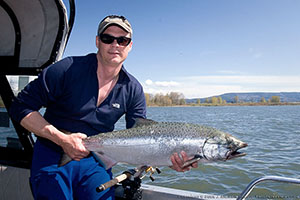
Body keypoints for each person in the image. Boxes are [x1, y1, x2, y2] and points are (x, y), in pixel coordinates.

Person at [9, 15, 197, 200]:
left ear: (129, 46)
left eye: (122, 40)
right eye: (108, 38)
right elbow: (20, 107)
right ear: (98, 42)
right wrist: (61, 139)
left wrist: (169, 159)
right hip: (51, 154)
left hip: (96, 160)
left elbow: (142, 138)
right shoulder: (66, 69)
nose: (115, 45)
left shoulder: (133, 89)